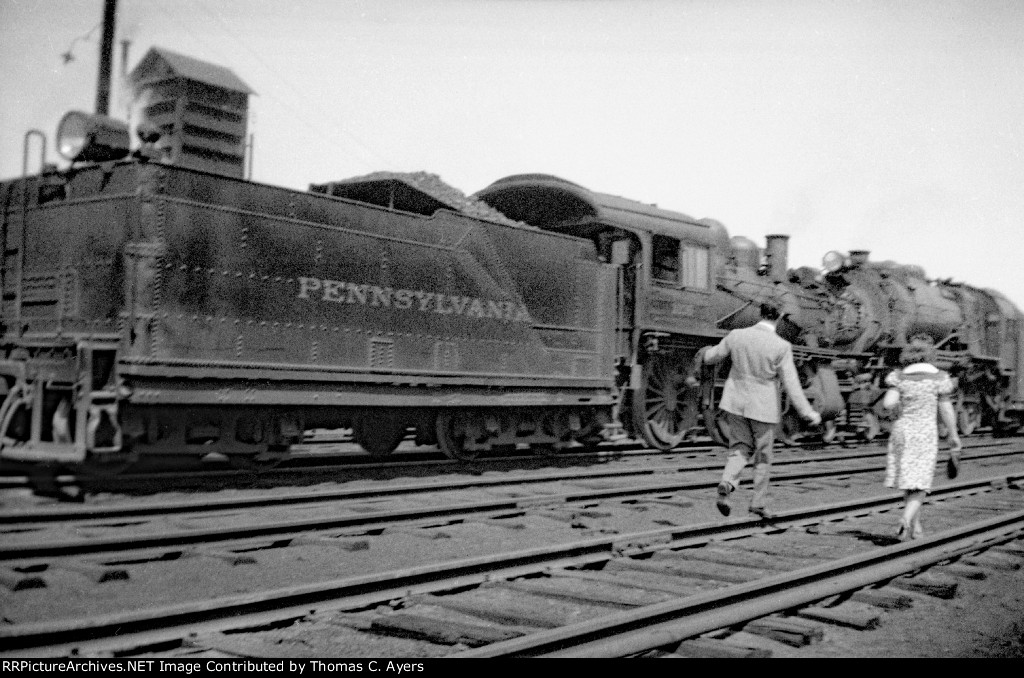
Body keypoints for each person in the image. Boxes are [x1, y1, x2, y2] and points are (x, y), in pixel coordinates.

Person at [691, 297, 821, 519]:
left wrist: (703, 354)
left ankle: (728, 483)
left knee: (739, 447)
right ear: (779, 317)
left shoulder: (737, 335)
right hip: (763, 407)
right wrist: (808, 413)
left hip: (735, 402)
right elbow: (791, 384)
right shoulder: (781, 346)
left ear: (760, 313)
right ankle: (757, 503)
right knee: (762, 455)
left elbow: (711, 357)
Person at [882, 336, 962, 540]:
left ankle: (916, 529)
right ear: (930, 356)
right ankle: (906, 520)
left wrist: (901, 407)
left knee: (910, 481)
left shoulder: (898, 376)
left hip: (902, 430)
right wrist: (953, 436)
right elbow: (946, 411)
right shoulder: (939, 378)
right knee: (921, 483)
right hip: (924, 432)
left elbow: (888, 403)